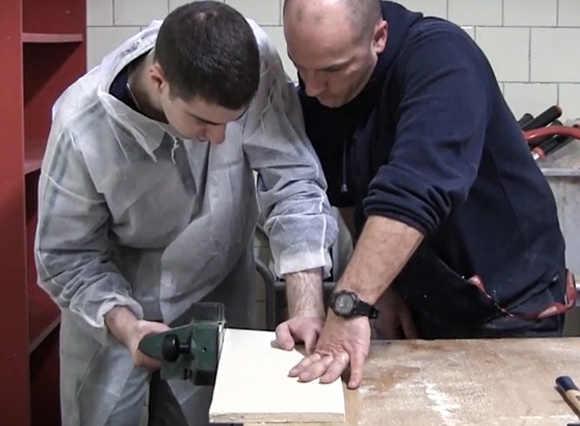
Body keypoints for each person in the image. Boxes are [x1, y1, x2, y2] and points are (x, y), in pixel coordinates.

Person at [35, 2, 338, 425]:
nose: (221, 139)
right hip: (112, 310)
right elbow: (65, 257)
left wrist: (305, 306)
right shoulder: (81, 127)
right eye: (203, 122)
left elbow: (291, 179)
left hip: (216, 290)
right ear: (159, 80)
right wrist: (126, 327)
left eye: (233, 122)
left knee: (218, 414)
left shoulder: (249, 58)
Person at [280, 0, 577, 389]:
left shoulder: (442, 61)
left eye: (332, 70)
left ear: (379, 37)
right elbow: (349, 195)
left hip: (510, 306)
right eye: (300, 67)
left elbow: (414, 189)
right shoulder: (321, 89)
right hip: (427, 299)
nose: (312, 88)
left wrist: (350, 304)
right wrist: (381, 289)